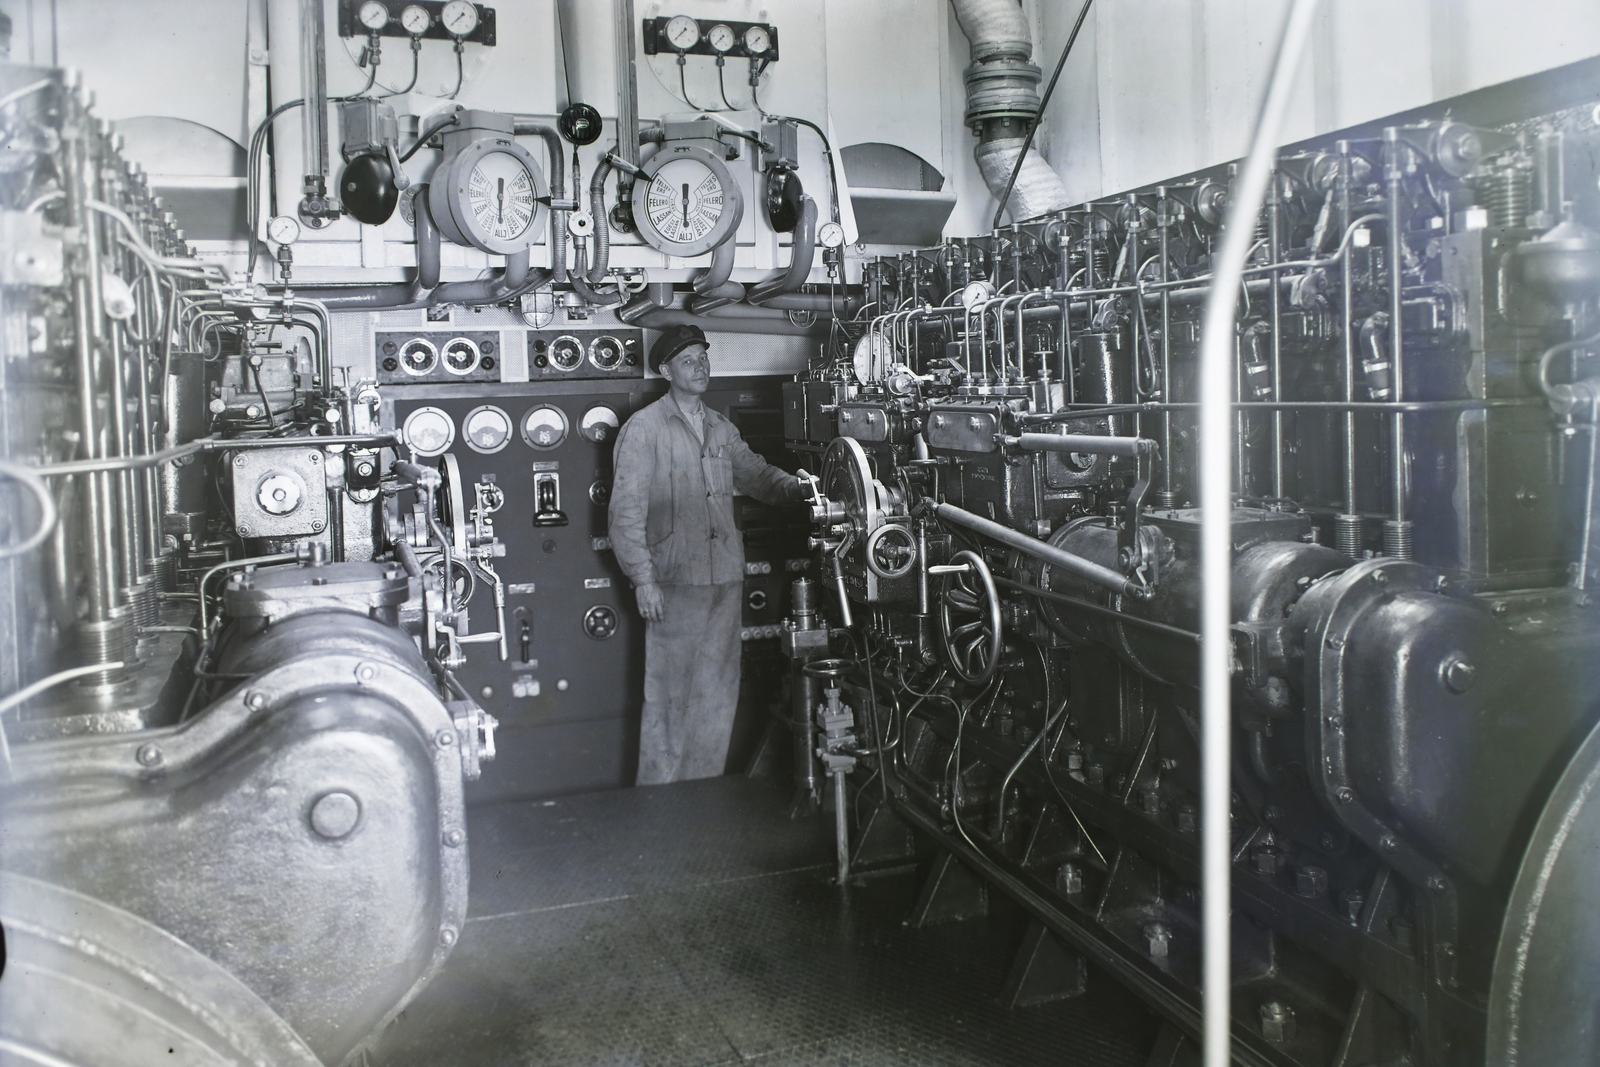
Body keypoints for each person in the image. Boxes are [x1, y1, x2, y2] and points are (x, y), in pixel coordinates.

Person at [608, 324, 805, 784]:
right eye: (689, 360)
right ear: (665, 370)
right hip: (675, 582)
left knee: (718, 694)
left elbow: (757, 477)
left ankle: (701, 798)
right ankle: (658, 802)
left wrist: (802, 490)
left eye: (703, 357)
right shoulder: (645, 428)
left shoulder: (720, 427)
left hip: (723, 579)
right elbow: (625, 513)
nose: (701, 367)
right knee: (669, 698)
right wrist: (643, 580)